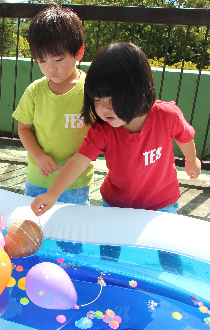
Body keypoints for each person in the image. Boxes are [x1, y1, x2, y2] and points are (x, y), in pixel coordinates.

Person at [31, 43, 201, 273]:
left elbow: (185, 136)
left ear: (140, 90)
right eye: (98, 99)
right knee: (108, 251)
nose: (103, 108)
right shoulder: (104, 130)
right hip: (117, 202)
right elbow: (79, 161)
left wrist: (191, 159)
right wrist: (53, 193)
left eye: (113, 99)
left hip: (162, 201)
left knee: (169, 251)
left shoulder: (166, 116)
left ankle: (175, 278)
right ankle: (107, 276)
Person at [12, 5, 93, 254]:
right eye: (41, 61)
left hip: (76, 184)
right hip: (38, 179)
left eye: (58, 59)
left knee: (72, 242)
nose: (50, 68)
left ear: (78, 52)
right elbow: (23, 128)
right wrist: (38, 155)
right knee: (33, 237)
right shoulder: (35, 91)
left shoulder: (91, 90)